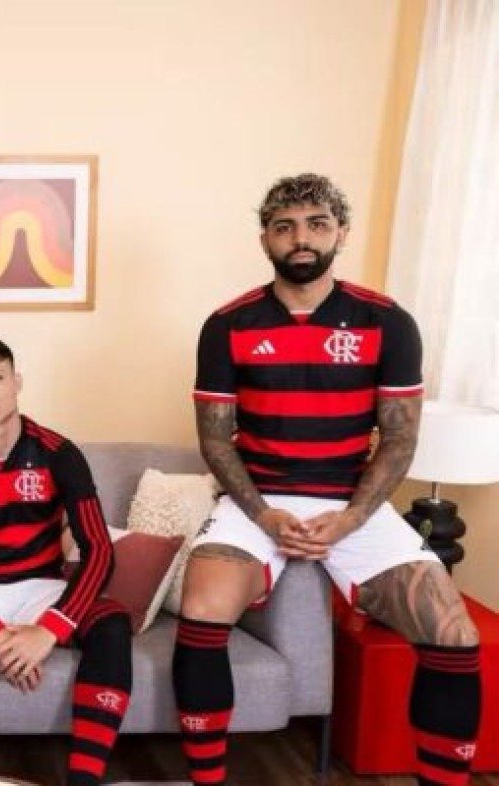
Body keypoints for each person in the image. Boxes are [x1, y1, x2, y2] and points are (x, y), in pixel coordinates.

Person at [177, 173, 480, 786]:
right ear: (265, 239)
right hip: (257, 501)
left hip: (352, 503)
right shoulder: (228, 324)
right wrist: (264, 514)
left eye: (317, 224)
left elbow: (399, 438)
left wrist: (350, 519)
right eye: (284, 227)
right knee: (201, 610)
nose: (301, 239)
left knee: (454, 632)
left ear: (341, 233)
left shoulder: (387, 321)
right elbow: (215, 440)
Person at [0, 334, 132, 784]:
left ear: (17, 382)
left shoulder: (59, 453)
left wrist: (50, 629)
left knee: (112, 622)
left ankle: (85, 779)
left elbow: (98, 549)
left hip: (41, 587)